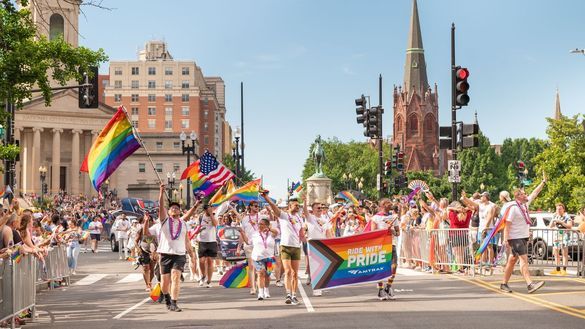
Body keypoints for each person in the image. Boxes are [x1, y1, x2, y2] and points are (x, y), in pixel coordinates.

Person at [146, 184, 199, 312]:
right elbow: (161, 208)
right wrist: (161, 192)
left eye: (177, 208)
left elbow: (187, 238)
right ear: (168, 212)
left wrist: (191, 255)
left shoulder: (184, 224)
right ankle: (167, 298)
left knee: (176, 277)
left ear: (180, 211)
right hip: (165, 254)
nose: (174, 209)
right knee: (164, 284)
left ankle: (174, 303)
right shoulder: (164, 221)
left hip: (179, 255)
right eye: (172, 208)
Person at [500, 172, 546, 294]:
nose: (527, 195)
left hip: (523, 237)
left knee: (512, 260)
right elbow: (507, 224)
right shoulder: (514, 208)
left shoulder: (525, 204)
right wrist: (505, 240)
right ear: (518, 197)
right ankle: (530, 284)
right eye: (524, 194)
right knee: (524, 260)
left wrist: (543, 182)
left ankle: (504, 283)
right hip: (515, 238)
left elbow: (535, 193)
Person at [263, 191, 305, 306]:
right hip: (285, 246)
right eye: (296, 205)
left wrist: (310, 243)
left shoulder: (300, 219)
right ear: (289, 206)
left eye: (298, 205)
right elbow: (273, 207)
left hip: (296, 247)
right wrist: (266, 198)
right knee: (288, 271)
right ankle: (288, 294)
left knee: (295, 273)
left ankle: (294, 295)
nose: (298, 207)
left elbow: (301, 234)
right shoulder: (284, 216)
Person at [240, 216, 279, 300]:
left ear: (267, 225)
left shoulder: (271, 234)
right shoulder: (255, 234)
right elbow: (248, 242)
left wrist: (269, 229)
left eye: (262, 224)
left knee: (267, 275)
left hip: (269, 257)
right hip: (257, 257)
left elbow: (277, 232)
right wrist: (242, 233)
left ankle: (266, 290)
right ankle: (260, 293)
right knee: (261, 273)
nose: (260, 226)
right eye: (259, 224)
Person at [370, 198, 400, 300]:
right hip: (380, 246)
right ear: (383, 205)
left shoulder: (394, 217)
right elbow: (373, 232)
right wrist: (384, 230)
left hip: (391, 244)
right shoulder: (375, 218)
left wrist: (392, 231)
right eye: (388, 203)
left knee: (394, 266)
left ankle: (389, 286)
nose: (391, 205)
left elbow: (398, 233)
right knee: (380, 267)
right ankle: (381, 289)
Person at [302, 201, 331, 297]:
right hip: (313, 244)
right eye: (318, 208)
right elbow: (305, 211)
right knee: (315, 267)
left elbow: (328, 233)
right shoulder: (310, 218)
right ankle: (316, 288)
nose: (320, 209)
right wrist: (305, 202)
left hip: (323, 244)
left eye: (321, 207)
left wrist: (332, 243)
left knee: (324, 266)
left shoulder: (325, 220)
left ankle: (321, 286)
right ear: (313, 210)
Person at [240, 201, 261, 294]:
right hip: (248, 244)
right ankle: (252, 287)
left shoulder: (261, 217)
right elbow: (242, 233)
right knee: (251, 266)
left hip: (259, 244)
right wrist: (238, 246)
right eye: (256, 206)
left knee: (257, 267)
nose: (257, 208)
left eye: (258, 206)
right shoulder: (244, 219)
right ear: (250, 207)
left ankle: (256, 283)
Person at [197, 203, 218, 288]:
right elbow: (197, 228)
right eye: (208, 209)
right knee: (201, 261)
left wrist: (211, 215)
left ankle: (209, 280)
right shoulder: (201, 217)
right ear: (205, 210)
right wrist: (198, 230)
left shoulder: (214, 216)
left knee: (210, 261)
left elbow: (215, 224)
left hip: (212, 241)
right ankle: (203, 275)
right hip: (202, 241)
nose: (210, 210)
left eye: (211, 209)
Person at [549, 203, 573, 276]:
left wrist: (562, 223)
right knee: (555, 253)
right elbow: (550, 226)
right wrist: (553, 219)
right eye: (557, 209)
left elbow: (569, 226)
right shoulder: (556, 216)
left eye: (560, 209)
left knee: (564, 253)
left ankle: (564, 270)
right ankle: (557, 269)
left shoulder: (567, 217)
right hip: (557, 236)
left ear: (563, 209)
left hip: (564, 237)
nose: (558, 210)